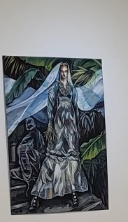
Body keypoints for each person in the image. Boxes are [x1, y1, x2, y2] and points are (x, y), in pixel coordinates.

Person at [29, 62, 90, 211]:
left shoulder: (72, 89)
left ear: (68, 72)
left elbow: (75, 109)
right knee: (54, 157)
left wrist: (76, 127)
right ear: (59, 72)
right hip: (58, 125)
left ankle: (73, 191)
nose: (63, 73)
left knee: (71, 158)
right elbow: (51, 107)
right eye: (62, 71)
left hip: (71, 127)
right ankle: (37, 195)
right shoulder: (55, 88)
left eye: (65, 71)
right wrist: (50, 125)